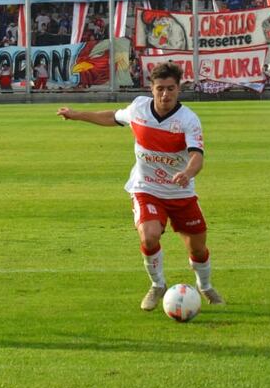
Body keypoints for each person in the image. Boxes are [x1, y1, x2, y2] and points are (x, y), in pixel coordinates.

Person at [56, 62, 224, 311]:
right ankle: (157, 285)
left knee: (198, 250)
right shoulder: (139, 108)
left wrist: (187, 172)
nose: (165, 94)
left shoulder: (188, 119)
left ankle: (206, 286)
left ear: (179, 89)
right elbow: (112, 117)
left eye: (170, 89)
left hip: (181, 192)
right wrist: (77, 114)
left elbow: (197, 155)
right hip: (146, 188)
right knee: (149, 235)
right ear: (151, 88)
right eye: (160, 89)